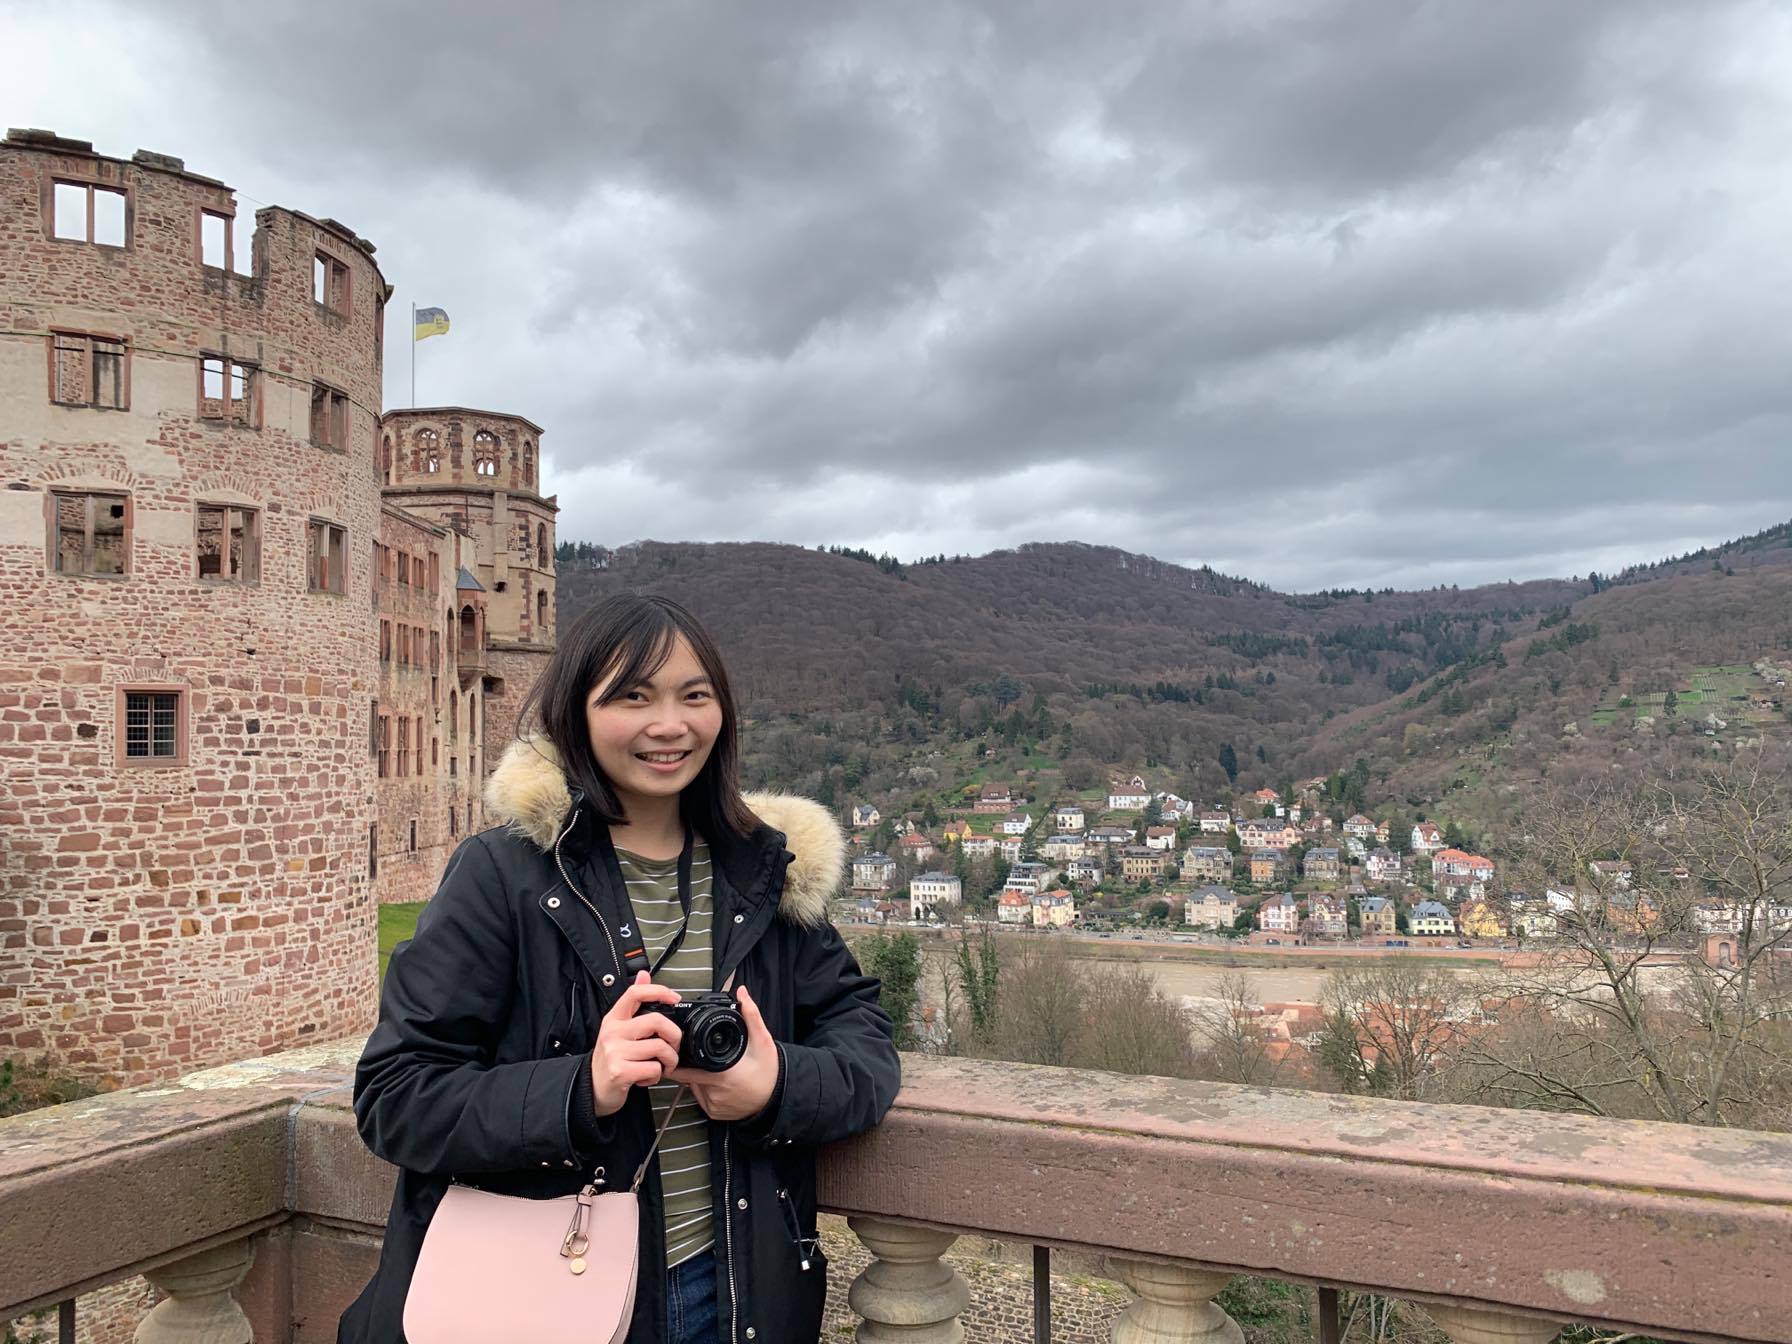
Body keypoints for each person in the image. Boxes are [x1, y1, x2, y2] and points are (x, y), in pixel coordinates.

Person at [339, 593, 901, 1344]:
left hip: (733, 1292)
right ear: (578, 712)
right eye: (632, 697)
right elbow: (396, 1097)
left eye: (693, 696)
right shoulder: (504, 875)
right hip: (543, 1289)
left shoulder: (760, 874)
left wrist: (775, 1087)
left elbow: (865, 1040)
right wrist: (584, 1087)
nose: (669, 725)